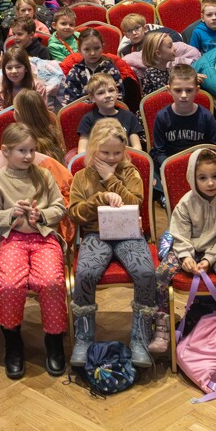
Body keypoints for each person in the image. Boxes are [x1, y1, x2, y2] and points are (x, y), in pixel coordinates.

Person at [150, 147, 216, 362]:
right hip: (188, 248)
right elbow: (179, 234)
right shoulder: (185, 203)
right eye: (203, 178)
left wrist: (209, 259)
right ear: (192, 178)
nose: (210, 183)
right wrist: (186, 256)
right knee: (161, 273)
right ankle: (161, 326)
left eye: (215, 176)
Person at [0, 123, 68, 379]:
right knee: (8, 283)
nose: (29, 156)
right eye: (22, 150)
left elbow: (59, 207)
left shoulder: (44, 176)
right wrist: (11, 214)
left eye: (32, 150)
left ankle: (54, 339)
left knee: (52, 281)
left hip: (44, 238)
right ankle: (13, 342)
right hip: (13, 240)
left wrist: (41, 215)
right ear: (6, 152)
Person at [68, 119, 154, 367]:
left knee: (146, 272)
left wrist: (111, 179)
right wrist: (100, 197)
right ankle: (84, 338)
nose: (111, 158)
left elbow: (135, 203)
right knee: (85, 272)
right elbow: (75, 213)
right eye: (105, 153)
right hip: (95, 235)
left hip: (128, 234)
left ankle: (140, 338)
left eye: (117, 153)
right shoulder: (82, 176)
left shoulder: (130, 172)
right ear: (94, 148)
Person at [76, 75, 143, 152]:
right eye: (101, 93)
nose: (108, 95)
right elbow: (82, 150)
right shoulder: (88, 119)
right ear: (92, 98)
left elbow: (137, 147)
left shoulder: (129, 116)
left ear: (117, 92)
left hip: (124, 157)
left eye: (111, 90)